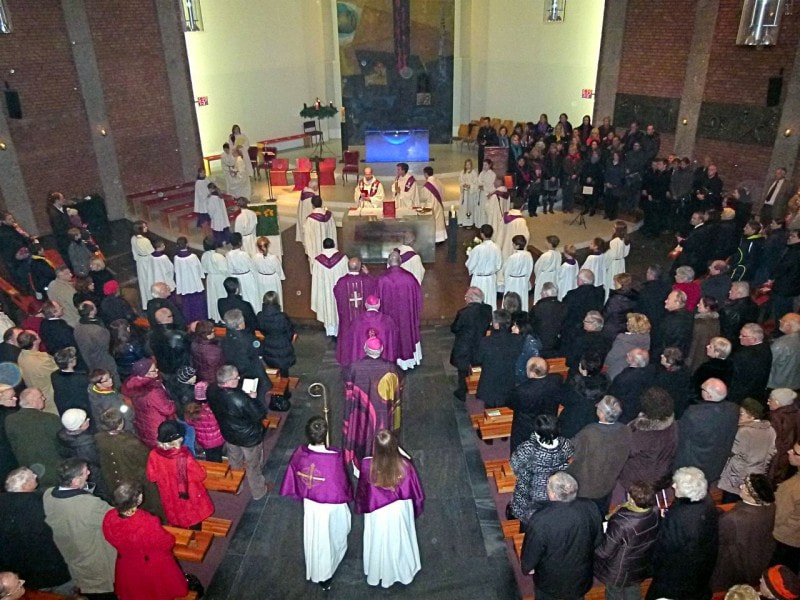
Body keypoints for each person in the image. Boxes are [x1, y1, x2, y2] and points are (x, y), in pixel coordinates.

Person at [280, 416, 353, 591]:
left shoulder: (299, 454)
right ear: (325, 434)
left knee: (315, 536)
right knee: (329, 537)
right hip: (329, 506)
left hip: (311, 505)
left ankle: (317, 567)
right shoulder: (333, 458)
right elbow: (340, 483)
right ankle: (324, 574)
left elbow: (293, 475)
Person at [354, 429, 424, 588]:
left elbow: (363, 491)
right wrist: (416, 508)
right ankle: (402, 571)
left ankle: (377, 571)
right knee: (399, 540)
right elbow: (416, 493)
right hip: (398, 511)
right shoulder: (405, 466)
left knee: (378, 540)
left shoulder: (367, 465)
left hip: (377, 512)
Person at [521, 471, 603, 600]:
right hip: (580, 577)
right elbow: (598, 540)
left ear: (553, 494)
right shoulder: (590, 506)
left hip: (551, 583)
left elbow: (531, 553)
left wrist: (527, 567)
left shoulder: (541, 520)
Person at [42, 458, 117, 598]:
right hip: (95, 562)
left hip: (74, 559)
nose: (89, 473)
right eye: (85, 472)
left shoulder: (49, 494)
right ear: (75, 481)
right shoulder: (89, 504)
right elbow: (116, 518)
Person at [102, 480, 188, 600]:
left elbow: (109, 537)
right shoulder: (147, 522)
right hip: (150, 566)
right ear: (138, 500)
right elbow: (166, 543)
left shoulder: (109, 517)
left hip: (127, 565)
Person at [646, 467, 719, 600]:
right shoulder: (707, 502)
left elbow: (665, 549)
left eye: (677, 485)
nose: (673, 486)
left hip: (676, 577)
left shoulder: (678, 518)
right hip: (701, 570)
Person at [0, 467, 72, 592]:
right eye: (32, 476)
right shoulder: (36, 504)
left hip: (22, 574)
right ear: (25, 485)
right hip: (50, 570)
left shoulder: (3, 504)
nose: (36, 476)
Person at [208, 365, 270, 500]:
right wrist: (252, 398)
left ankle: (237, 486)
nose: (239, 378)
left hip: (229, 433)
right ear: (229, 382)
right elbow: (259, 414)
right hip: (248, 437)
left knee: (234, 460)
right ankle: (258, 491)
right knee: (253, 464)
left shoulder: (211, 390)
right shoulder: (239, 399)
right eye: (236, 378)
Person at [343, 336, 402, 471]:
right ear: (381, 350)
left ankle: (360, 467)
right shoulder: (391, 367)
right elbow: (396, 393)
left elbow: (349, 390)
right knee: (383, 435)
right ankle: (384, 465)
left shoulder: (354, 367)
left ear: (365, 349)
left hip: (361, 413)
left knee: (362, 434)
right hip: (383, 413)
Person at [594, 481, 660, 600]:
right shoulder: (655, 511)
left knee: (614, 594)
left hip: (619, 570)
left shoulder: (622, 522)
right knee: (633, 591)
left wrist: (591, 547)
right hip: (639, 564)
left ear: (632, 500)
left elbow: (604, 551)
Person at [94, 408, 163, 520]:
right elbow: (146, 458)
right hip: (134, 478)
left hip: (115, 479)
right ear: (120, 423)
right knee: (148, 504)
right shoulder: (129, 443)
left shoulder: (100, 439)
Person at [568, 395, 632, 514]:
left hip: (585, 487)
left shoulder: (590, 433)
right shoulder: (626, 430)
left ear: (602, 414)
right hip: (608, 484)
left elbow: (571, 451)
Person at [712, 473, 777, 591]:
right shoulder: (770, 507)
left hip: (733, 563)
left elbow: (720, 539)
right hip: (758, 557)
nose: (741, 486)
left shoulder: (733, 518)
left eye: (745, 487)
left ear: (752, 495)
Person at [146, 421, 213, 528]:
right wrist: (203, 469)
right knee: (193, 517)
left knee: (176, 515)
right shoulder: (184, 457)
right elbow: (199, 475)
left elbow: (151, 477)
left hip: (169, 494)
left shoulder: (154, 454)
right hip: (188, 495)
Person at [509, 414, 573, 524]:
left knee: (526, 513)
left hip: (529, 491)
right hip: (554, 488)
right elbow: (569, 461)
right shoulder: (565, 444)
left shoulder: (528, 448)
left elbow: (514, 465)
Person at [675, 378, 739, 483]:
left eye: (703, 389)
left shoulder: (695, 414)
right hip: (715, 465)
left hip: (694, 465)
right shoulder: (733, 410)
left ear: (709, 396)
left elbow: (681, 435)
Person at [718, 398, 777, 503]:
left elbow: (735, 454)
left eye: (741, 414)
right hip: (758, 476)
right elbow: (771, 453)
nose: (738, 416)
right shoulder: (770, 430)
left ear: (752, 416)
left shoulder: (744, 432)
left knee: (729, 503)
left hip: (738, 478)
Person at [220, 308, 277, 410]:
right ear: (240, 324)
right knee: (258, 396)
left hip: (236, 370)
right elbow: (259, 350)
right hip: (251, 372)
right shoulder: (248, 339)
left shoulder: (225, 339)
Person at [6, 382, 63, 479]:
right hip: (53, 469)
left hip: (27, 471)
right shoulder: (50, 418)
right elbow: (62, 443)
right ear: (33, 401)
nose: (44, 399)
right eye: (41, 397)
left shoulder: (10, 420)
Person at [377, 251, 423, 370]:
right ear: (401, 262)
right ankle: (408, 361)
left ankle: (390, 357)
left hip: (388, 316)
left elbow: (376, 300)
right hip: (406, 316)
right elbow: (418, 298)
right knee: (406, 333)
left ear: (388, 262)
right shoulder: (410, 278)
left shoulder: (382, 279)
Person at [122, 357, 177, 449]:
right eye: (153, 370)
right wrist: (173, 403)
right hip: (158, 427)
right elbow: (167, 410)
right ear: (145, 374)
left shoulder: (134, 385)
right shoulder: (152, 391)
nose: (157, 370)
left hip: (145, 426)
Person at [474, 310, 523, 408]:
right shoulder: (518, 339)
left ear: (496, 324)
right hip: (509, 382)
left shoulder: (486, 341)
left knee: (491, 410)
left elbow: (477, 360)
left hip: (490, 385)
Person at [57, 408, 108, 501]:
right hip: (94, 475)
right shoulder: (86, 445)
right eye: (85, 420)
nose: (88, 420)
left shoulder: (63, 437)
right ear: (80, 426)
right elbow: (99, 461)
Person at [333, 256, 376, 366]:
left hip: (347, 319)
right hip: (363, 320)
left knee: (347, 337)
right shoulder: (367, 281)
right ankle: (362, 356)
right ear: (360, 267)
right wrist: (368, 274)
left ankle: (347, 358)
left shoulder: (341, 282)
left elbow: (336, 293)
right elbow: (375, 287)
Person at [449, 287, 491, 401]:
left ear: (470, 299)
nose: (465, 299)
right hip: (480, 343)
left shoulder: (464, 313)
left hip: (465, 346)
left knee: (462, 370)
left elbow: (455, 328)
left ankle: (462, 391)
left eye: (466, 297)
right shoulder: (488, 309)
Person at [74, 301, 120, 389]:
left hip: (89, 360)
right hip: (102, 360)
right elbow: (106, 346)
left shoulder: (78, 326)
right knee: (112, 379)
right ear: (92, 311)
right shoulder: (97, 331)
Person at [311, 238, 348, 337]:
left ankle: (330, 329)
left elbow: (316, 280)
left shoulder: (318, 261)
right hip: (340, 290)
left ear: (323, 246)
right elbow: (347, 274)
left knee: (328, 306)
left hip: (325, 291)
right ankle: (338, 328)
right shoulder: (343, 258)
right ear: (334, 244)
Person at [772, 441, 800, 572]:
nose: (789, 452)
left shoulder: (791, 488)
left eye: (795, 453)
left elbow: (778, 517)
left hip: (784, 539)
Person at [608, 348, 657, 423]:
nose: (627, 354)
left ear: (634, 360)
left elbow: (613, 394)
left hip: (624, 412)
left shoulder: (623, 378)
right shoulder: (651, 372)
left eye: (629, 355)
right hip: (640, 409)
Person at [729, 323, 772, 404]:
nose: (739, 337)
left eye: (743, 336)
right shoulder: (766, 348)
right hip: (757, 392)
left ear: (753, 339)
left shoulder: (742, 355)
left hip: (740, 394)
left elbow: (734, 376)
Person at [257, 291, 296, 377]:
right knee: (284, 374)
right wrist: (287, 340)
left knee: (272, 370)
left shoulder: (260, 315)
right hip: (283, 347)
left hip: (267, 346)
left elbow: (260, 329)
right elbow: (290, 332)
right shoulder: (282, 317)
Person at [766, 225, 800, 322]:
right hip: (793, 287)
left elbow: (783, 267)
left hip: (785, 287)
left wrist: (771, 277)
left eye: (793, 236)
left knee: (781, 311)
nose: (789, 238)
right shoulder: (793, 250)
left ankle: (780, 326)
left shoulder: (794, 252)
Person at [183, 381, 224, 462]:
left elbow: (189, 422)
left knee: (209, 457)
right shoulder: (213, 408)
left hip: (202, 440)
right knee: (217, 457)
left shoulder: (191, 409)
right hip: (217, 440)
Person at [604, 312, 651, 381]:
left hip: (617, 369)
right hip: (635, 372)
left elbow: (611, 358)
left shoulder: (623, 340)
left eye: (628, 322)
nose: (626, 323)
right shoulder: (646, 338)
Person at [768, 389, 800, 485]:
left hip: (777, 457)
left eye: (771, 400)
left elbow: (774, 442)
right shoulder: (796, 413)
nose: (768, 402)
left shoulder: (776, 417)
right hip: (790, 457)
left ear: (778, 402)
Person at [466, 224, 502, 307]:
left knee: (476, 301)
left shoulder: (478, 249)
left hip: (478, 279)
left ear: (482, 234)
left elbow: (470, 264)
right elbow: (499, 264)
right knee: (490, 301)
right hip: (490, 279)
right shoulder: (496, 248)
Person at [173, 236, 206, 323]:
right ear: (187, 244)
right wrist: (201, 276)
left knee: (186, 303)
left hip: (184, 284)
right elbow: (198, 267)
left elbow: (176, 270)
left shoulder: (176, 258)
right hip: (194, 282)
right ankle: (200, 319)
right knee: (197, 303)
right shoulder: (193, 256)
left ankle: (188, 320)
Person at [226, 232, 261, 311]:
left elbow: (229, 269)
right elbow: (251, 267)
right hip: (246, 277)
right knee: (251, 296)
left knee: (240, 296)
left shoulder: (228, 254)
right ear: (240, 242)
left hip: (235, 277)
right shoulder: (244, 254)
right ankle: (253, 310)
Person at [602, 273, 640, 343]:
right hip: (626, 329)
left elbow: (606, 314)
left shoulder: (615, 299)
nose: (614, 284)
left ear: (620, 284)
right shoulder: (634, 297)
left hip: (612, 330)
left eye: (615, 282)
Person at [531, 282, 566, 357]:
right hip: (558, 345)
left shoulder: (537, 308)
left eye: (541, 293)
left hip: (541, 345)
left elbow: (531, 326)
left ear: (545, 294)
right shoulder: (563, 307)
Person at [200, 236, 229, 323]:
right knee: (221, 297)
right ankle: (223, 317)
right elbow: (225, 269)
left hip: (210, 278)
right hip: (219, 279)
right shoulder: (218, 256)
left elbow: (204, 269)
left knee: (213, 298)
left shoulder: (204, 256)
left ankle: (215, 316)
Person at [769, 313, 800, 390]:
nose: (780, 322)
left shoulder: (781, 344)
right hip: (795, 383)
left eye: (782, 321)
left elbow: (769, 362)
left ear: (788, 326)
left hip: (777, 384)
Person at [252, 236, 285, 308]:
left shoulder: (255, 257)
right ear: (268, 245)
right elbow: (278, 270)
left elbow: (254, 269)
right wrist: (281, 277)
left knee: (262, 296)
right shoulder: (274, 258)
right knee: (274, 296)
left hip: (261, 279)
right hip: (273, 280)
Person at [502, 235, 533, 308]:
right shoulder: (528, 255)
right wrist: (526, 279)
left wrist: (506, 281)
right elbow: (530, 268)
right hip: (523, 280)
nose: (512, 244)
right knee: (522, 298)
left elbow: (506, 270)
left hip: (512, 281)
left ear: (517, 246)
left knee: (511, 298)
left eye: (513, 243)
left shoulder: (512, 257)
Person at [420, 166, 447, 242]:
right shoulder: (438, 181)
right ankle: (441, 237)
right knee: (439, 222)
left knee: (432, 221)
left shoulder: (427, 185)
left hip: (430, 206)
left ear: (426, 174)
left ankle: (434, 238)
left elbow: (423, 197)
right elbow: (443, 191)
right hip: (438, 204)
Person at [532, 235, 561, 302]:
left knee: (540, 293)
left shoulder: (546, 255)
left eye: (546, 241)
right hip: (553, 276)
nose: (545, 243)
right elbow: (558, 266)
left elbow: (538, 267)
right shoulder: (558, 254)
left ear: (550, 244)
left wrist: (538, 277)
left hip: (544, 277)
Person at [207, 181, 231, 245]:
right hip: (222, 216)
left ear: (210, 189)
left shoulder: (212, 198)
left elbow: (211, 209)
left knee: (217, 230)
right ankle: (227, 240)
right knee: (224, 228)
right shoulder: (219, 196)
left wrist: (210, 216)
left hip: (216, 217)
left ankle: (219, 243)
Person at [459, 159, 479, 228]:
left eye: (469, 164)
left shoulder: (474, 173)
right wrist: (463, 185)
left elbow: (476, 183)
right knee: (463, 207)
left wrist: (470, 186)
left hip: (470, 193)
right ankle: (462, 221)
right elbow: (460, 181)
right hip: (464, 193)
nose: (467, 166)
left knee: (469, 207)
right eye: (466, 164)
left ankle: (469, 223)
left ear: (471, 165)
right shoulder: (462, 172)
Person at [477, 159, 497, 227]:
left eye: (486, 165)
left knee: (487, 209)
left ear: (489, 165)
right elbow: (479, 181)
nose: (484, 166)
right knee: (481, 209)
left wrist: (483, 187)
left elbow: (490, 184)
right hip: (482, 193)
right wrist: (480, 185)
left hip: (488, 193)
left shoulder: (492, 174)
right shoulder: (481, 173)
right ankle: (481, 223)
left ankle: (488, 224)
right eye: (483, 165)